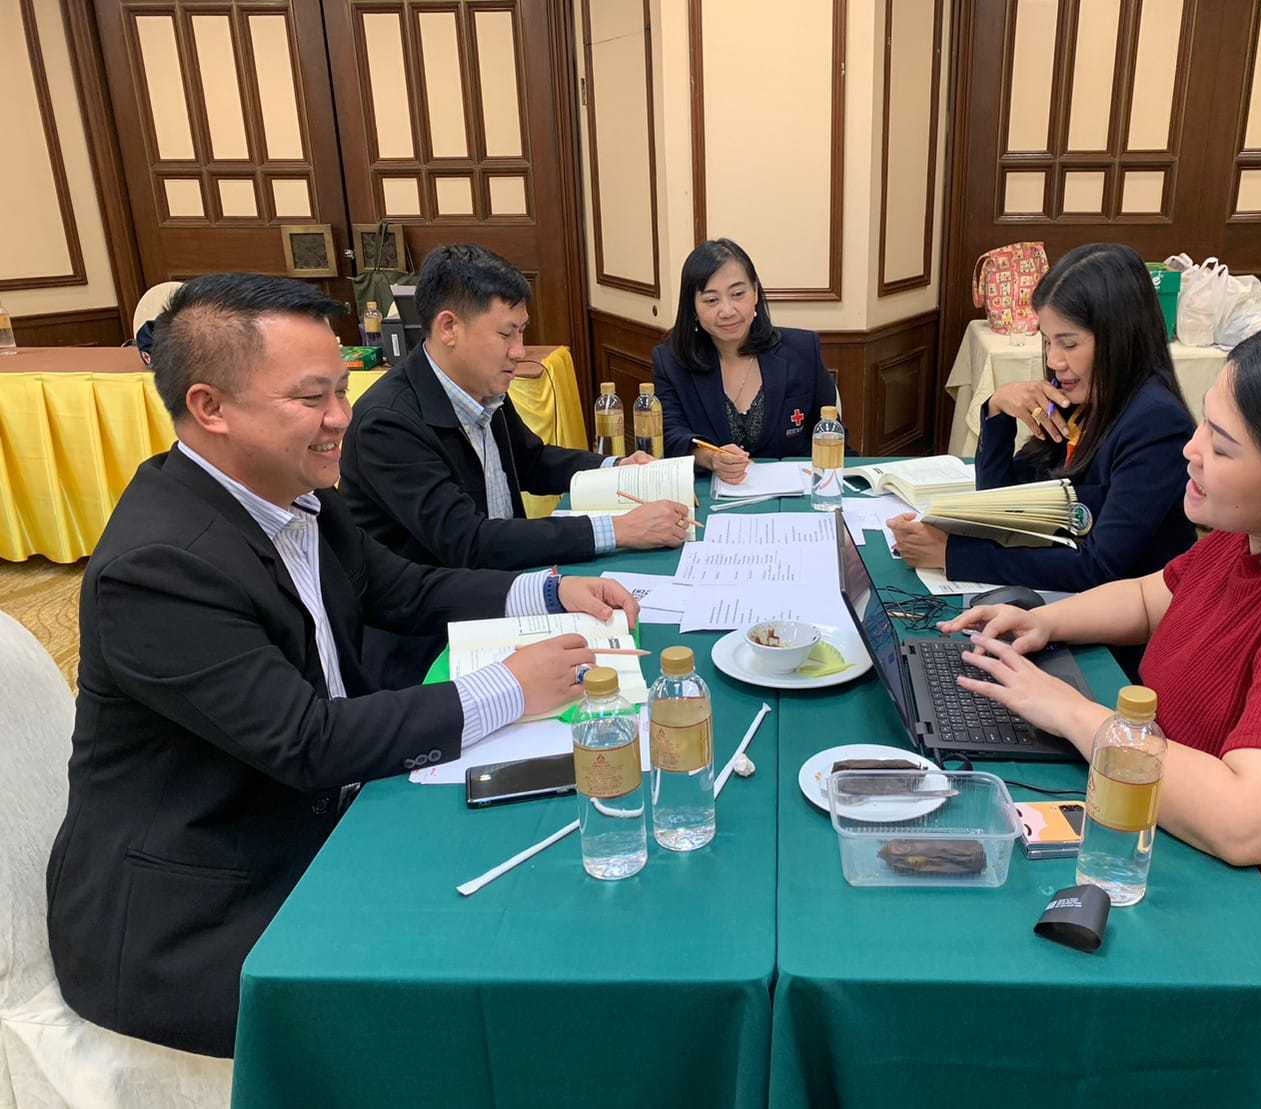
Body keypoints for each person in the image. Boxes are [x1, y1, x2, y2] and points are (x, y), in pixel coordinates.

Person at [46, 274, 638, 1059]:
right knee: (479, 993)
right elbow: (308, 741)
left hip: (314, 820)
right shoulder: (159, 568)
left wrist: (553, 589)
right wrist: (511, 685)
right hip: (200, 911)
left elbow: (404, 588)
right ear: (210, 407)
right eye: (311, 398)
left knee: (539, 895)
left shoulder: (295, 492)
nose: (340, 419)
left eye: (341, 390)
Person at [940, 316, 1261, 1061]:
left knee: (994, 979)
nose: (1190, 448)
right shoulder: (1256, 538)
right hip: (1183, 855)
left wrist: (1073, 713)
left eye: (1221, 443)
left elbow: (1247, 822)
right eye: (1204, 423)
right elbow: (1153, 596)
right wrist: (1043, 621)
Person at [341, 244, 688, 686]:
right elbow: (468, 542)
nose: (519, 351)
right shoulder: (388, 423)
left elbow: (532, 461)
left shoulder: (480, 384)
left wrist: (617, 467)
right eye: (507, 335)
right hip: (432, 639)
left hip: (505, 593)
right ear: (449, 327)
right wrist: (619, 530)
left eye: (522, 332)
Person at [889, 243, 1196, 592]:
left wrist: (952, 555)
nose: (1053, 361)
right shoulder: (1079, 401)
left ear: (1120, 338)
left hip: (1124, 619)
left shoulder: (1156, 423)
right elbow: (1003, 509)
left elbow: (1100, 567)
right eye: (1048, 342)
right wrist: (997, 410)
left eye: (1069, 344)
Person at [652, 238, 839, 482]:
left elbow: (831, 433)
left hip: (794, 493)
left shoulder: (802, 350)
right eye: (711, 300)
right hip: (712, 493)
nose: (727, 311)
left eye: (738, 294)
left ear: (755, 294)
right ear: (693, 308)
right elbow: (670, 435)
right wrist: (711, 458)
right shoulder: (671, 361)